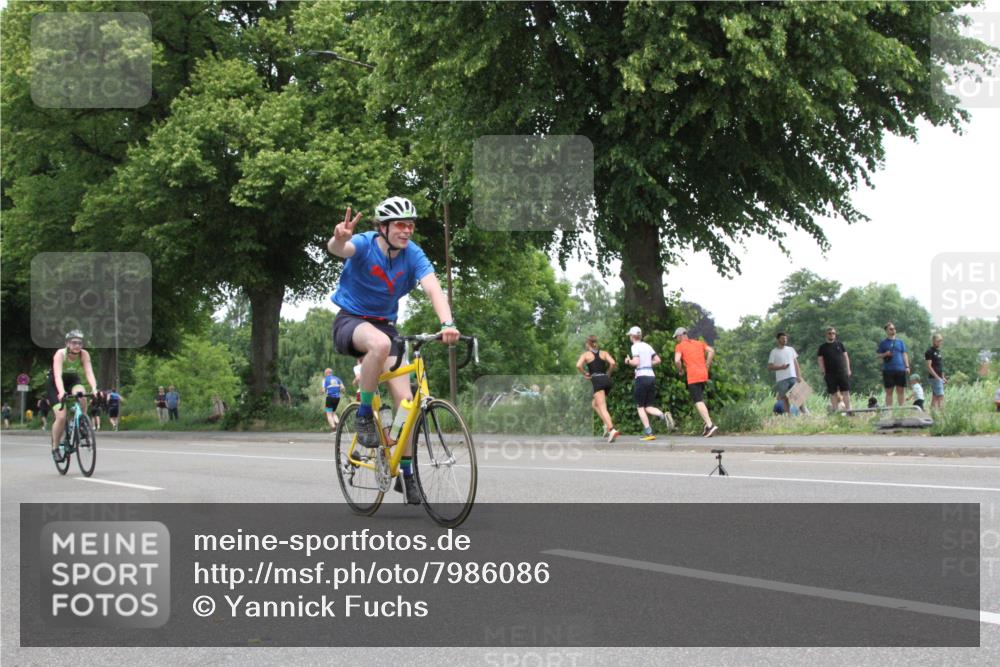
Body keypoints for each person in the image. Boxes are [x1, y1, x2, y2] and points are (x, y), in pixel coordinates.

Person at [328, 196, 459, 505]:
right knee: (380, 344)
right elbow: (340, 250)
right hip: (351, 321)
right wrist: (338, 238)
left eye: (411, 225)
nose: (407, 230)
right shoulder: (364, 243)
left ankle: (406, 472)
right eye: (401, 224)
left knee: (408, 404)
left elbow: (432, 287)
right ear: (383, 227)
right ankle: (363, 416)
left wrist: (448, 323)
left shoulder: (412, 254)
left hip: (385, 325)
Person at [47, 330, 98, 462]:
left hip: (72, 380)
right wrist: (61, 391)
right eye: (74, 342)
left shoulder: (84, 354)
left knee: (82, 395)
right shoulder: (60, 354)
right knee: (61, 416)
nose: (77, 345)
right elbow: (57, 375)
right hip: (55, 383)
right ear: (67, 344)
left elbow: (89, 372)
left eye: (80, 343)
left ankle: (81, 422)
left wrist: (94, 388)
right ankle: (55, 448)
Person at [625, 326, 672, 441]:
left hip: (641, 377)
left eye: (630, 336)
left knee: (640, 407)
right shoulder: (647, 346)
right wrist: (647, 363)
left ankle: (649, 432)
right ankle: (662, 415)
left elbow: (636, 362)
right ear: (640, 336)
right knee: (648, 406)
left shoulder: (634, 347)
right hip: (651, 376)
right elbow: (658, 360)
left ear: (632, 336)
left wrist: (628, 361)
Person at [673, 327, 718, 437]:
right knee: (700, 399)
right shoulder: (699, 343)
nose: (676, 340)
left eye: (676, 337)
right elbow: (711, 351)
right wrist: (707, 364)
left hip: (693, 376)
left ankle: (710, 425)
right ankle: (707, 426)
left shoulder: (679, 346)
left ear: (680, 336)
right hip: (703, 374)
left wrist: (680, 370)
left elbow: (677, 360)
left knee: (698, 401)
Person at [576, 335, 619, 443]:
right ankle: (606, 424)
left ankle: (611, 429)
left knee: (602, 407)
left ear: (587, 344)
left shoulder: (586, 354)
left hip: (597, 381)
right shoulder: (604, 353)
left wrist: (585, 373)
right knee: (595, 404)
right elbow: (613, 363)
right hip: (606, 380)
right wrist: (608, 373)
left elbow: (578, 365)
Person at [817, 326, 852, 412]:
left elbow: (846, 356)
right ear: (826, 335)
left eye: (833, 333)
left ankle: (849, 410)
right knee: (833, 393)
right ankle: (836, 411)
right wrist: (822, 371)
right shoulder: (822, 347)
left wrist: (848, 369)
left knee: (845, 391)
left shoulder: (840, 344)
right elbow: (820, 359)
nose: (832, 335)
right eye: (830, 333)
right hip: (829, 373)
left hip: (842, 372)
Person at [877, 322, 910, 407]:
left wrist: (907, 366)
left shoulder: (900, 342)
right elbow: (878, 355)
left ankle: (902, 410)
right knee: (889, 392)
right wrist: (885, 354)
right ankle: (889, 412)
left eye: (894, 328)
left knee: (901, 391)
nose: (893, 330)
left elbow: (904, 354)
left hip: (900, 369)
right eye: (891, 329)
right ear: (886, 331)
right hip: (888, 370)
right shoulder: (883, 343)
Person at [768, 332, 801, 415]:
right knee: (785, 398)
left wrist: (799, 376)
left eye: (786, 338)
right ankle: (789, 415)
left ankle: (802, 413)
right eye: (783, 338)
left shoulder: (791, 349)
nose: (785, 340)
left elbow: (796, 363)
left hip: (792, 376)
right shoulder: (774, 352)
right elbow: (770, 367)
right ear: (778, 339)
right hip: (781, 379)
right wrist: (781, 367)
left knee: (798, 396)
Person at [924, 333, 947, 410]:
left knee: (935, 397)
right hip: (934, 378)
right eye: (938, 341)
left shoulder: (938, 351)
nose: (940, 343)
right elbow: (929, 366)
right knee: (941, 396)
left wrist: (942, 377)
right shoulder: (929, 351)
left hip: (939, 377)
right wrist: (937, 377)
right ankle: (942, 416)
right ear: (934, 340)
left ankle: (932, 415)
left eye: (941, 341)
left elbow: (939, 365)